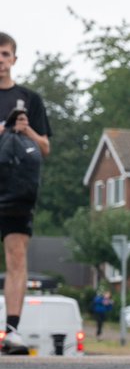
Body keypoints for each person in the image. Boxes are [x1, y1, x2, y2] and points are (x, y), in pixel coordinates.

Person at [0, 32, 52, 350]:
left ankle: (11, 329)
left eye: (5, 54)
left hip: (16, 192)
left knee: (16, 257)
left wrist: (25, 129)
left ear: (14, 59)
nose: (0, 60)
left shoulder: (30, 99)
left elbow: (45, 147)